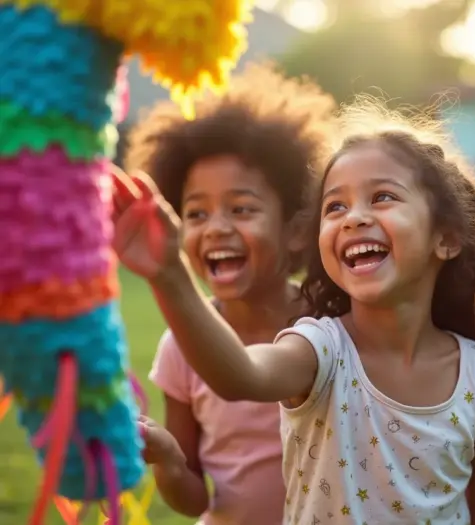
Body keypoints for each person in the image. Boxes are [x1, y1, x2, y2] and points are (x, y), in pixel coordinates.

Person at [112, 99, 475, 524]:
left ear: (446, 238)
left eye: (382, 196)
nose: (353, 218)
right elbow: (241, 374)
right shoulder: (320, 349)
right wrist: (169, 274)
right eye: (336, 206)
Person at [122, 62, 336, 525]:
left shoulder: (334, 325)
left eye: (241, 208)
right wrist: (170, 461)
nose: (217, 228)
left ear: (297, 231)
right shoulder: (181, 346)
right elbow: (194, 499)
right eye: (196, 214)